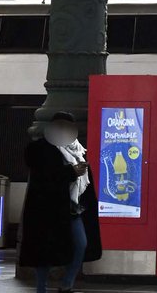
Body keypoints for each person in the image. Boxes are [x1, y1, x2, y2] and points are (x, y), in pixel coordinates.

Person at [19, 112, 102, 293]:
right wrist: (71, 172)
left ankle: (67, 283)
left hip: (71, 209)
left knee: (81, 243)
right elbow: (46, 176)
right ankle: (41, 287)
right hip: (47, 210)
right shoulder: (39, 149)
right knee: (45, 251)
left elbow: (84, 180)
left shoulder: (78, 150)